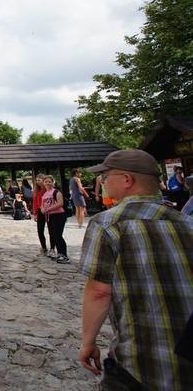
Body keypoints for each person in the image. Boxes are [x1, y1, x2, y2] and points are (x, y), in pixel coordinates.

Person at [79, 149, 193, 390]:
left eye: (106, 176)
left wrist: (88, 341)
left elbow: (99, 291)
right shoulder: (187, 222)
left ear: (127, 180)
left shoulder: (107, 223)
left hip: (140, 360)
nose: (103, 181)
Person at [41, 175, 69, 263]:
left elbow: (60, 203)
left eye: (49, 181)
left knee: (58, 235)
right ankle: (59, 253)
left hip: (59, 215)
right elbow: (42, 204)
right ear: (43, 183)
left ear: (53, 182)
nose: (48, 183)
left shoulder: (56, 192)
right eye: (46, 182)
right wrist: (42, 209)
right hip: (50, 216)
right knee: (53, 235)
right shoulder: (45, 194)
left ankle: (64, 255)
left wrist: (49, 209)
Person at [32, 175, 52, 256]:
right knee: (40, 230)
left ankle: (52, 248)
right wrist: (35, 213)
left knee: (51, 230)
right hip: (40, 211)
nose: (38, 182)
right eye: (36, 180)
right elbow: (35, 203)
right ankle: (43, 247)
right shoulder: (36, 191)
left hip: (49, 211)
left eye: (39, 180)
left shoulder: (47, 190)